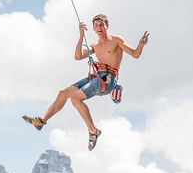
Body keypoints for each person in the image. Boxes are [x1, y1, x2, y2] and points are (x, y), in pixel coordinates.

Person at [23, 14, 149, 151]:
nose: (99, 28)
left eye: (102, 25)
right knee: (63, 93)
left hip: (108, 79)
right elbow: (77, 56)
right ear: (93, 28)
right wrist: (81, 35)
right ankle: (41, 120)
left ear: (107, 26)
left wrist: (140, 45)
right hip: (96, 77)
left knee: (76, 99)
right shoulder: (95, 45)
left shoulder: (116, 40)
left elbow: (135, 54)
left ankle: (93, 131)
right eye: (96, 25)